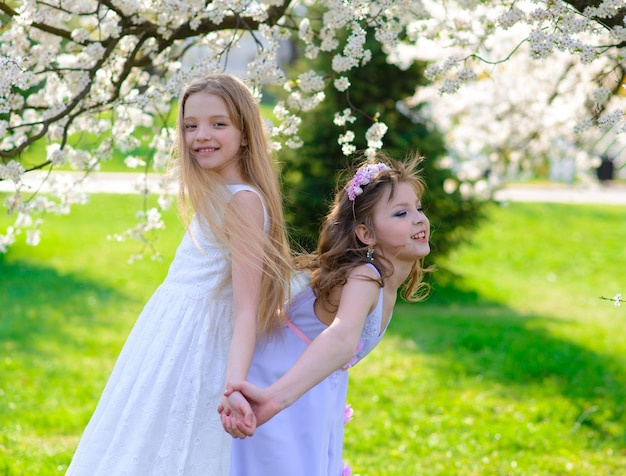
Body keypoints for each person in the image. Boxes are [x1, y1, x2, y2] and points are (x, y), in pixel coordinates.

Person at [66, 73, 292, 475]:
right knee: (142, 437)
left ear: (245, 134)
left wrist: (232, 386)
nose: (201, 135)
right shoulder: (212, 192)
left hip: (199, 343)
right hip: (168, 333)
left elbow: (245, 308)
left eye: (218, 124)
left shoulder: (243, 202)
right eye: (191, 126)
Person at [221, 154, 434, 475]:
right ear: (366, 234)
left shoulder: (382, 280)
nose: (419, 218)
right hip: (273, 388)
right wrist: (273, 399)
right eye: (401, 213)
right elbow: (341, 336)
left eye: (418, 208)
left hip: (308, 394)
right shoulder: (365, 276)